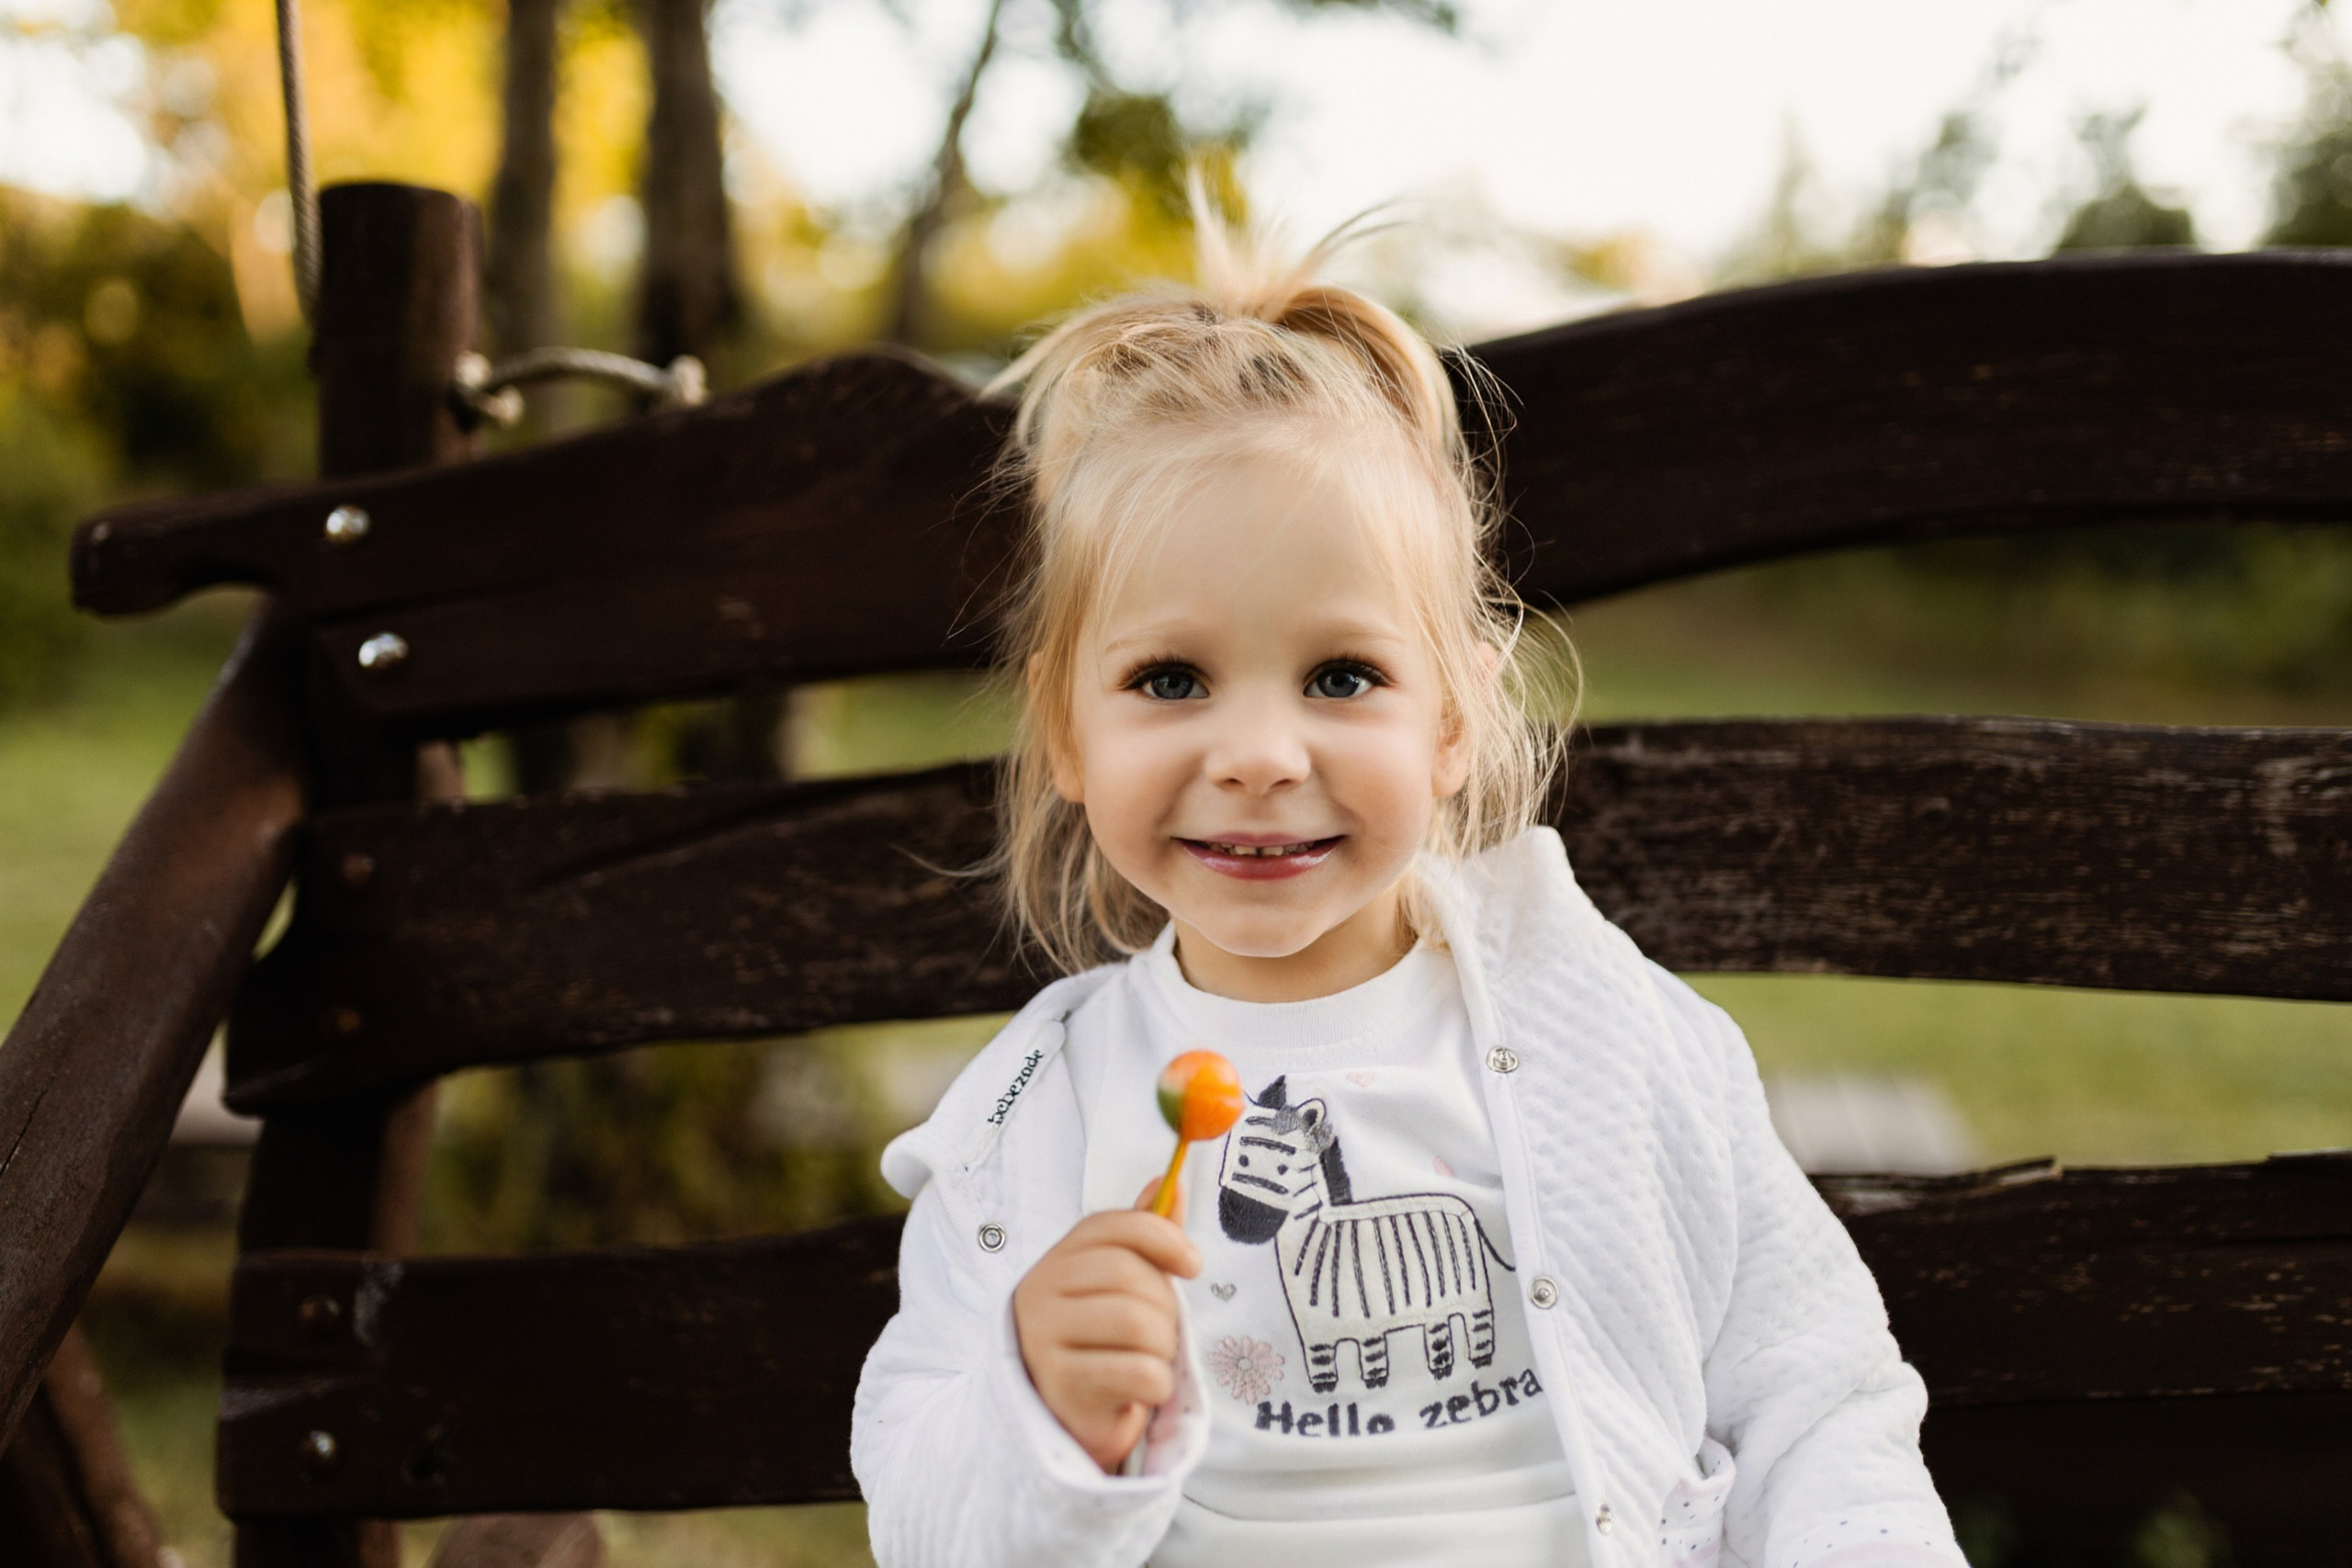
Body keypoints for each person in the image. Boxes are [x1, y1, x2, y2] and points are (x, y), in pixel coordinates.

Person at [851, 196, 1963, 1568]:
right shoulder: (1035, 1116)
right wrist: (1040, 1418)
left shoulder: (1616, 1039)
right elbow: (922, 1518)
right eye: (1170, 679)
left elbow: (1818, 1396)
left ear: (1451, 720)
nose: (1258, 755)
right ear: (1068, 733)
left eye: (1341, 677)